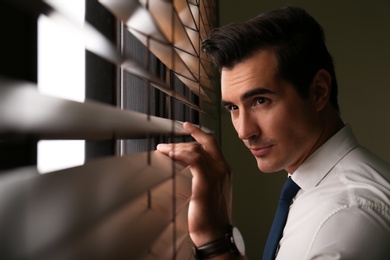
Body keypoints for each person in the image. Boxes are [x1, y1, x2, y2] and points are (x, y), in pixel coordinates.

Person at [157, 6, 390, 260]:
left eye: (260, 101)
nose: (245, 131)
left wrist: (210, 241)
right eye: (234, 107)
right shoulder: (314, 191)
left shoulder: (346, 215)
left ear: (319, 92)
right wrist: (219, 234)